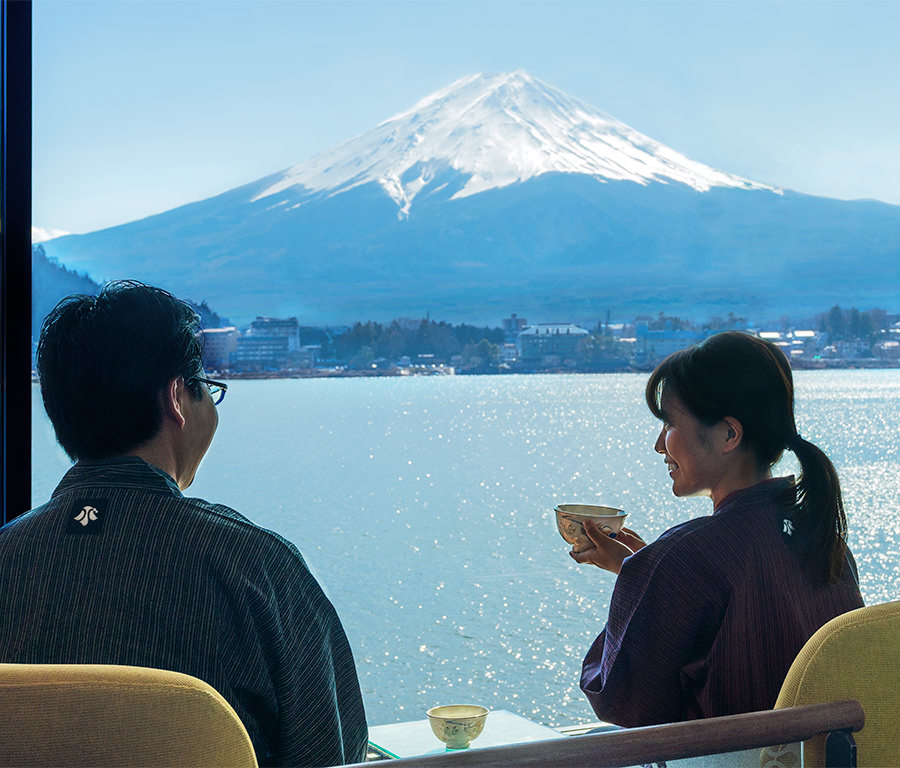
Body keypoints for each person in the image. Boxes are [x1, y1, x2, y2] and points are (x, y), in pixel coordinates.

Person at [0, 281, 367, 767]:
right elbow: (335, 755)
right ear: (177, 398)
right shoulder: (255, 566)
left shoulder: (6, 555)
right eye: (207, 389)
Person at [576, 331, 863, 726]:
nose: (660, 445)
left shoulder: (684, 558)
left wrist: (642, 578)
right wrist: (642, 572)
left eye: (669, 424)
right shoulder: (827, 545)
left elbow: (622, 703)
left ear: (729, 434)